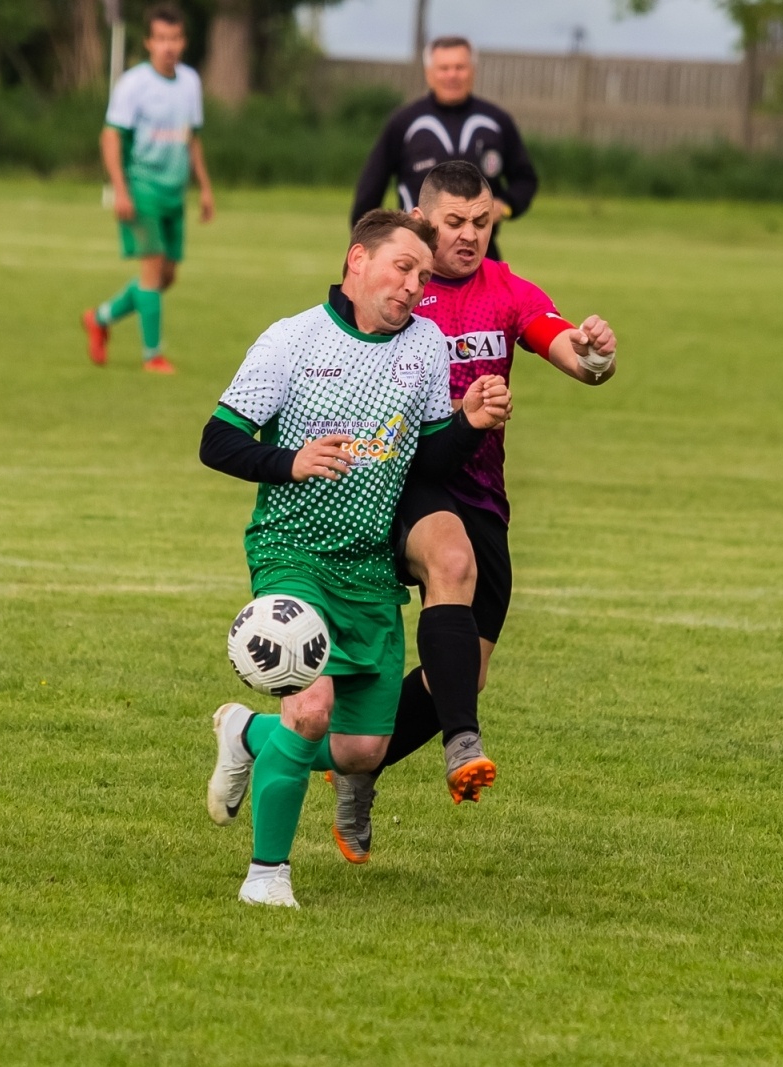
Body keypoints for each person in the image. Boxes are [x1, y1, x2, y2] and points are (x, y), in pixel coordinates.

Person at [198, 209, 512, 908]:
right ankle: (266, 876)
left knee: (362, 751)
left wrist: (468, 424)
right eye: (402, 267)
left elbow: (424, 457)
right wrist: (290, 460)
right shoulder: (292, 340)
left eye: (423, 276)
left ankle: (245, 732)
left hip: (369, 567)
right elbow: (216, 441)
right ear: (358, 261)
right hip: (293, 552)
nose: (413, 285)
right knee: (309, 709)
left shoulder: (427, 346)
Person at [329, 161, 619, 864]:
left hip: (482, 493)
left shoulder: (508, 291)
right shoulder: (400, 291)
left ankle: (354, 768)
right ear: (424, 220)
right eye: (454, 223)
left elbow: (564, 346)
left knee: (461, 671)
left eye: (482, 222)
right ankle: (463, 741)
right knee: (449, 560)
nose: (470, 235)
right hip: (405, 484)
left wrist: (595, 356)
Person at [81, 3, 214, 373]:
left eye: (174, 38)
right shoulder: (134, 84)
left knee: (165, 277)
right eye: (160, 39)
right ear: (148, 42)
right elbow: (110, 137)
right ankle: (152, 355)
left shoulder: (190, 82)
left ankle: (100, 318)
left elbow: (193, 140)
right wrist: (120, 190)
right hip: (142, 188)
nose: (167, 46)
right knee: (153, 271)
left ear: (183, 41)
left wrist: (204, 188)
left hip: (175, 193)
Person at [350, 36, 538, 263]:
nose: (452, 75)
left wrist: (505, 206)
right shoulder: (404, 123)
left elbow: (525, 180)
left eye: (460, 67)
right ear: (429, 73)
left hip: (481, 256)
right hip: (420, 255)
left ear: (473, 71)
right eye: (444, 68)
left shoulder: (496, 122)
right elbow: (370, 189)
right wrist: (369, 245)